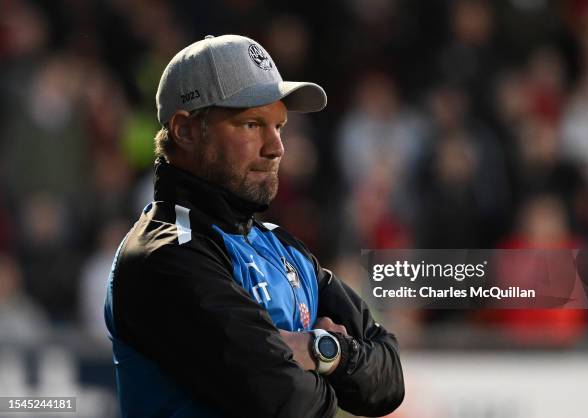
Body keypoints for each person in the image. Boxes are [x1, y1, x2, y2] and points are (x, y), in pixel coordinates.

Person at [104, 34, 404, 418]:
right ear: (185, 130)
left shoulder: (283, 247)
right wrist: (336, 369)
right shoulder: (163, 256)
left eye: (279, 126)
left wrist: (319, 350)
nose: (276, 147)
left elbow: (389, 379)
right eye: (251, 124)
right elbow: (288, 405)